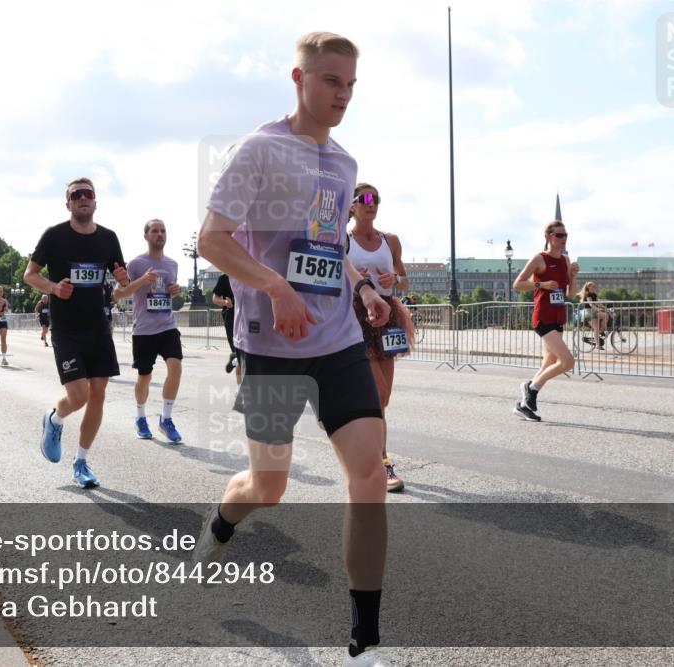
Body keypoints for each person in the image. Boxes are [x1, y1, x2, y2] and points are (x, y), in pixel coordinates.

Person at [195, 32, 390, 666]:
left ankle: (365, 636)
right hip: (270, 345)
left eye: (352, 85)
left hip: (335, 338)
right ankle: (224, 520)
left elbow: (328, 247)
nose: (343, 96)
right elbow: (213, 241)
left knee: (368, 476)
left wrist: (364, 288)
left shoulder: (345, 165)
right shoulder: (259, 149)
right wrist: (274, 285)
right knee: (269, 486)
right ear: (299, 78)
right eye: (332, 81)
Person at [24, 176, 130, 489]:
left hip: (98, 327)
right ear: (68, 203)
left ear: (95, 201)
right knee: (79, 396)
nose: (83, 198)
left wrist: (124, 278)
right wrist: (54, 287)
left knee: (98, 394)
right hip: (67, 328)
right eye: (76, 195)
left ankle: (81, 461)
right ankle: (54, 419)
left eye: (88, 194)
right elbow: (30, 275)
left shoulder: (108, 238)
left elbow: (121, 282)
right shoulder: (54, 236)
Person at [348, 182, 414, 493]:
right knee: (376, 392)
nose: (371, 204)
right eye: (364, 198)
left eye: (376, 199)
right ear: (352, 206)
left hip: (389, 318)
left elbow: (404, 282)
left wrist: (394, 279)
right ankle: (382, 462)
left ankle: (358, 438)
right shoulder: (344, 241)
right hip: (357, 317)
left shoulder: (390, 240)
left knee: (383, 398)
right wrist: (355, 281)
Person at [114, 219, 184, 443]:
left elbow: (168, 292)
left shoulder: (172, 264)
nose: (160, 234)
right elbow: (118, 293)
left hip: (167, 325)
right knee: (145, 376)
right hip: (144, 329)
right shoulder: (135, 264)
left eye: (163, 230)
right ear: (146, 236)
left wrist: (175, 291)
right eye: (155, 231)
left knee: (176, 367)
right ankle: (141, 417)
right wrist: (142, 280)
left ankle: (166, 418)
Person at [513, 220, 579, 421]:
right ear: (548, 237)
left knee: (549, 361)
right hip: (543, 316)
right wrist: (540, 284)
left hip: (558, 315)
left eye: (565, 235)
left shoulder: (566, 261)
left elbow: (572, 293)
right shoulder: (539, 259)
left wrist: (574, 276)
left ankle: (523, 404)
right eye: (559, 235)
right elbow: (518, 284)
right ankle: (531, 389)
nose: (563, 239)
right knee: (567, 361)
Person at [212, 273, 241, 382]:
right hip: (231, 317)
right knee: (240, 355)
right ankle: (241, 391)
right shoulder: (224, 278)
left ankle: (235, 358)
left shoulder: (248, 274)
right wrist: (225, 302)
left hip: (248, 317)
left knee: (243, 356)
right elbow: (215, 298)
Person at [577, 281, 609, 350]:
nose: (594, 287)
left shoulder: (594, 294)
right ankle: (597, 345)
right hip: (588, 312)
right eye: (592, 286)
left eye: (594, 286)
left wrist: (604, 308)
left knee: (606, 316)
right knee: (596, 328)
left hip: (594, 311)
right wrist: (597, 309)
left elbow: (597, 303)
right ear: (588, 287)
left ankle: (601, 331)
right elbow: (591, 304)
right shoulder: (588, 294)